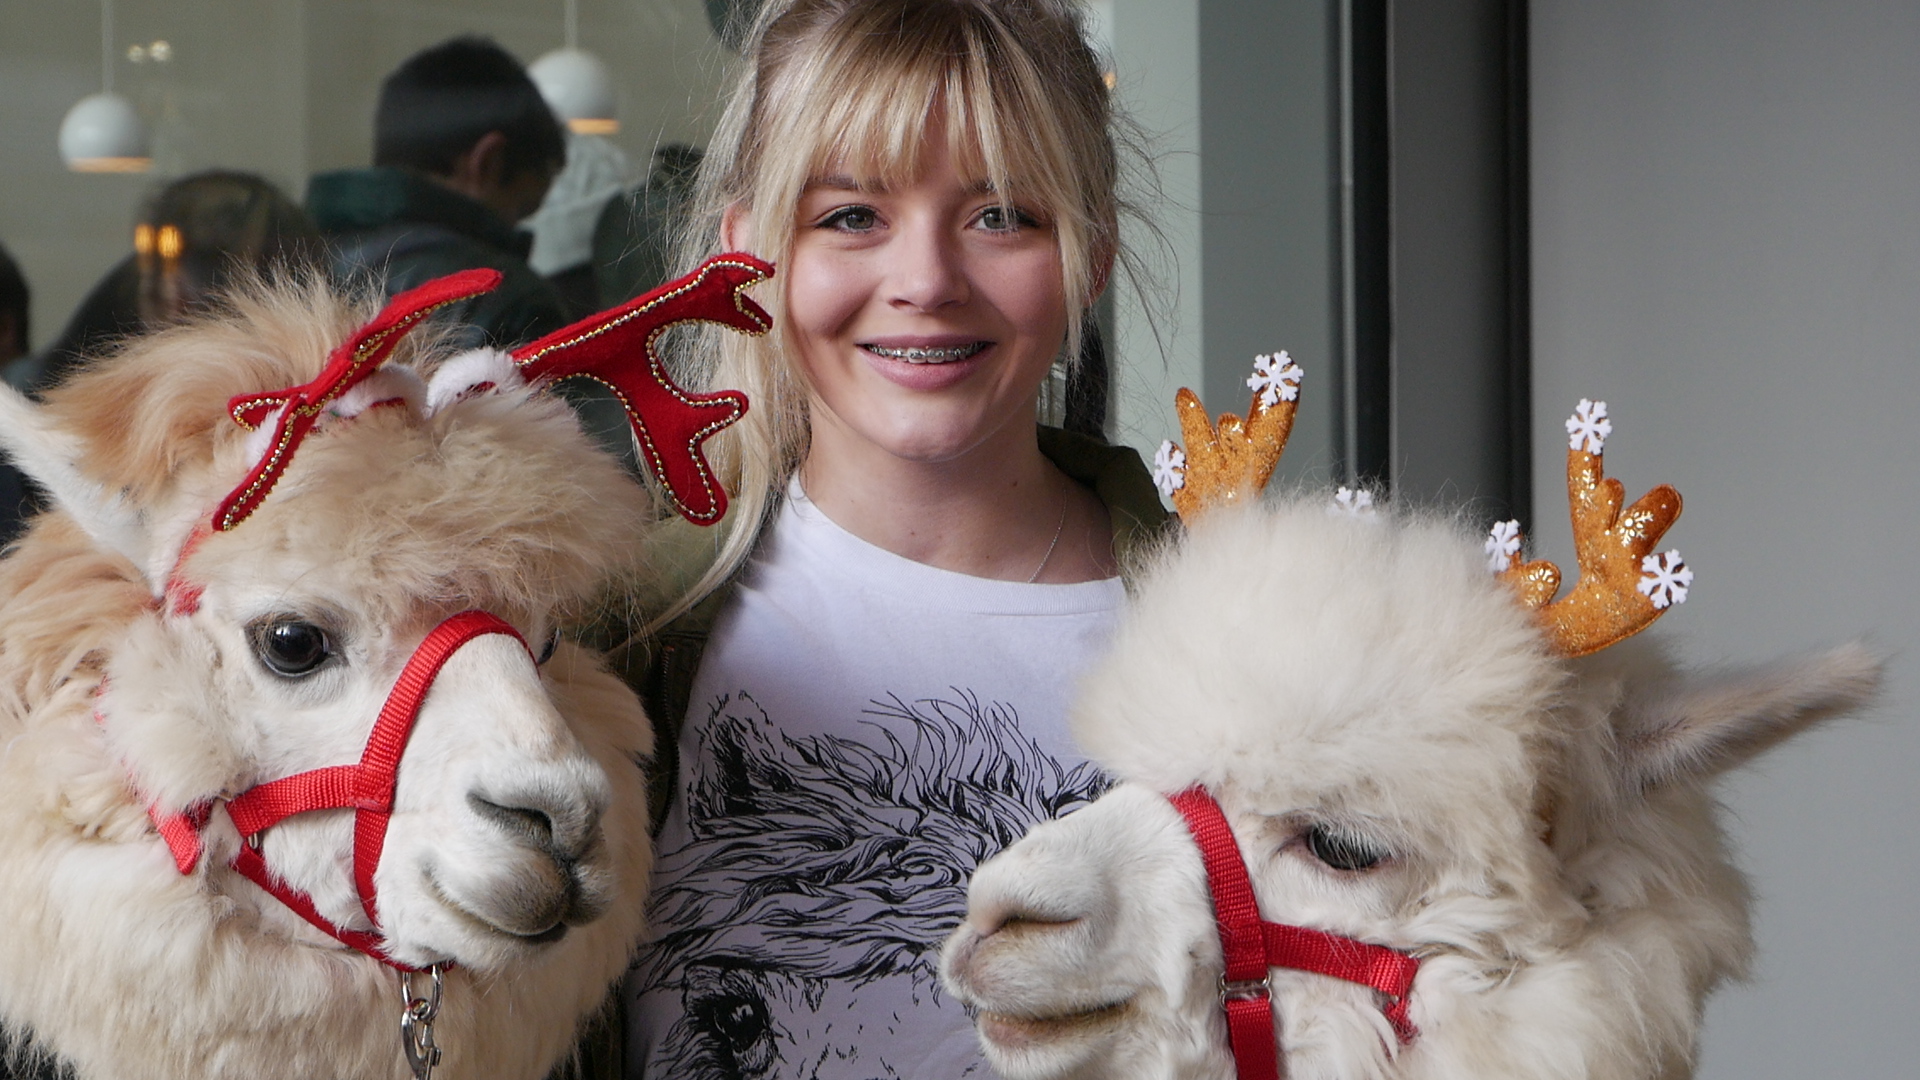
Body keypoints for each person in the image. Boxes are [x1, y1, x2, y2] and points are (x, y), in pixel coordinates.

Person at [603, 2, 1168, 1076]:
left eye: (1001, 214)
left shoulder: (1239, 656)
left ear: (1090, 253)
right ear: (749, 259)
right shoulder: (610, 644)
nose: (926, 280)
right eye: (852, 216)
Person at [305, 36, 570, 349]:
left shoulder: (288, 265)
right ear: (488, 161)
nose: (516, 226)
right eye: (521, 209)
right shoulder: (512, 302)